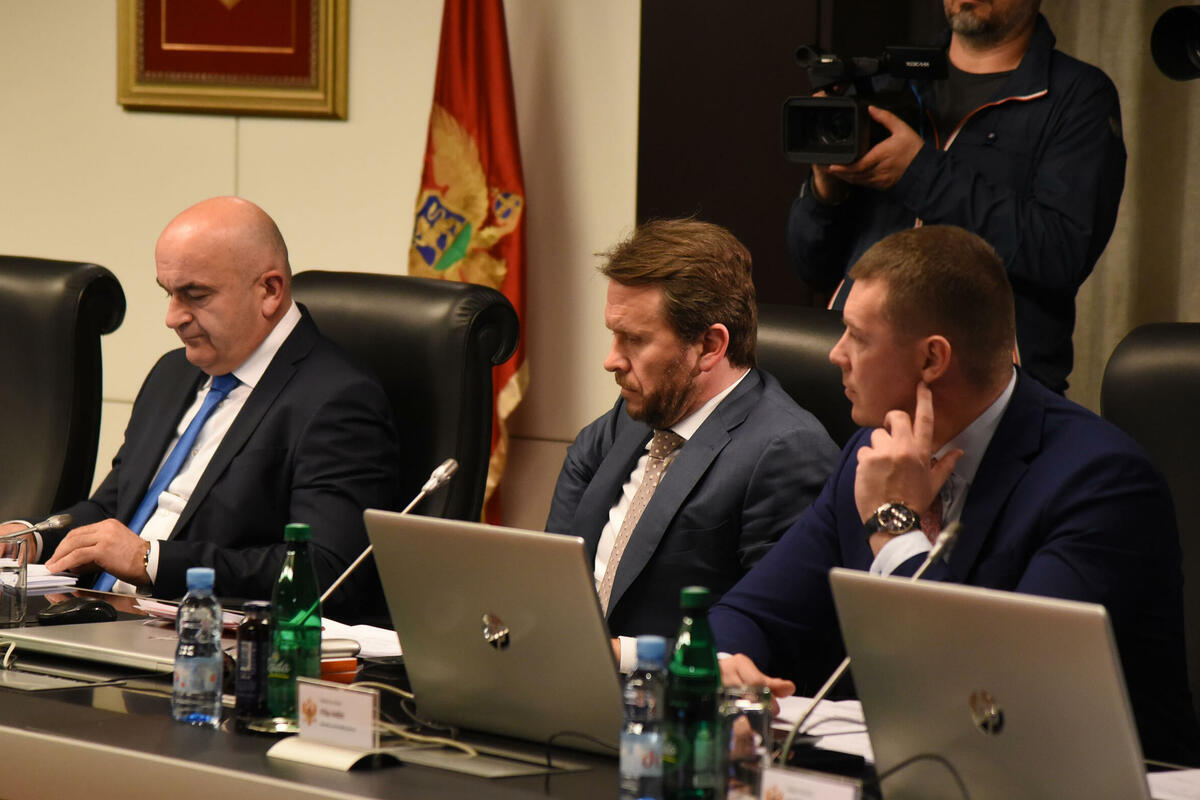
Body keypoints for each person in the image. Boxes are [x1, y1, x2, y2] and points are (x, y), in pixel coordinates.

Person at [711, 224, 1200, 765]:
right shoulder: (869, 456)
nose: (836, 354)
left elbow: (996, 700)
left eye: (857, 336)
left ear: (932, 360)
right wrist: (727, 662)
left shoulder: (1101, 483)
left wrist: (894, 525)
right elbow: (749, 613)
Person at [4, 197, 400, 622]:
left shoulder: (337, 398)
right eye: (169, 293)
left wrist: (152, 561)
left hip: (194, 636)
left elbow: (325, 572)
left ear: (270, 290)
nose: (173, 317)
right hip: (90, 615)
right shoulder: (172, 373)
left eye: (195, 295)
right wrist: (31, 537)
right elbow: (114, 507)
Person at [545, 219, 839, 671]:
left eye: (635, 340)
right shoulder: (631, 416)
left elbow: (776, 648)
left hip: (671, 701)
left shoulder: (786, 452)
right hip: (563, 679)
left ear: (709, 346)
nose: (611, 360)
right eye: (614, 334)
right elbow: (553, 565)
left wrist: (619, 656)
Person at [787, 0, 1125, 393]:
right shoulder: (889, 83)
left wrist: (917, 172)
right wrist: (827, 190)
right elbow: (811, 267)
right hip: (859, 380)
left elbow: (1060, 253)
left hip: (991, 390)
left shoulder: (1078, 95)